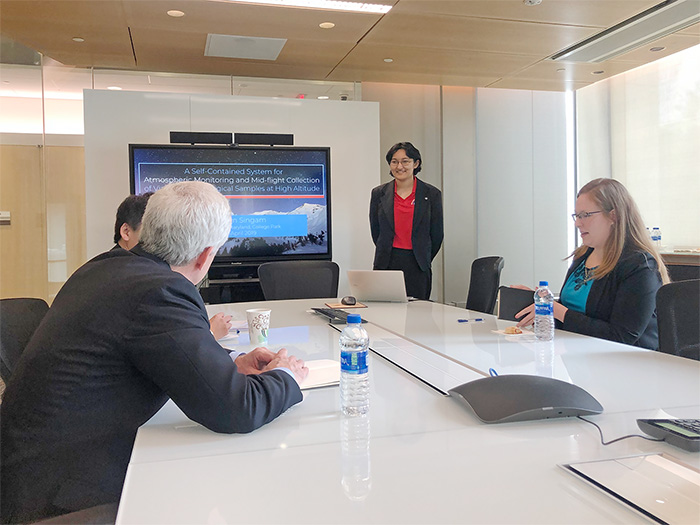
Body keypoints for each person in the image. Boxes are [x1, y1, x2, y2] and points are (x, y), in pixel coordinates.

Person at [0, 181, 308, 524]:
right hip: (64, 502)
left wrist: (232, 362)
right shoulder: (161, 290)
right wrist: (286, 375)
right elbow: (236, 410)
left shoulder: (105, 267)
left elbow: (165, 350)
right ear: (207, 255)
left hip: (27, 471)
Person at [515, 178, 669, 350]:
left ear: (614, 215)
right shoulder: (582, 256)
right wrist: (541, 302)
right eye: (577, 215)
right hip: (579, 356)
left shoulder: (640, 265)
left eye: (585, 215)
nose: (577, 223)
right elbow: (573, 317)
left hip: (627, 366)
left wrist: (558, 311)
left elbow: (622, 336)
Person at [113, 192, 232, 339]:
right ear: (126, 231)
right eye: (150, 232)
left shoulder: (102, 268)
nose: (159, 241)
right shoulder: (153, 285)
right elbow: (177, 351)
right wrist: (209, 334)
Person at [369, 142, 444, 300]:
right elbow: (376, 231)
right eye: (394, 161)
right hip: (387, 262)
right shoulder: (379, 193)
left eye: (405, 161)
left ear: (416, 164)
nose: (399, 166)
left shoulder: (431, 194)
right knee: (385, 313)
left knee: (417, 316)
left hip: (417, 264)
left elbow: (437, 234)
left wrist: (423, 256)